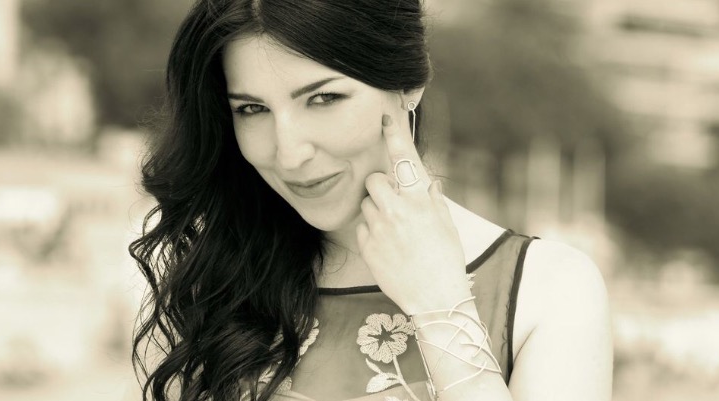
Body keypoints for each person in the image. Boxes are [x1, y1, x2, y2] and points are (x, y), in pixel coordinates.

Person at [127, 0, 613, 400]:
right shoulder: (213, 282)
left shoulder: (549, 289)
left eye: (323, 98)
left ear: (407, 86)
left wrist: (440, 305)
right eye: (252, 109)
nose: (290, 154)